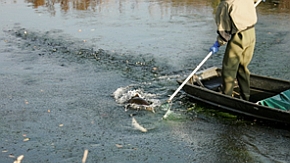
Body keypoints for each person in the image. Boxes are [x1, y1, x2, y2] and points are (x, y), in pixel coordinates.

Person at [210, 0, 258, 101]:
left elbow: (224, 30)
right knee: (242, 67)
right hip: (251, 33)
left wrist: (218, 43)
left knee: (229, 68)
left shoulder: (226, 3)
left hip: (239, 36)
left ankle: (226, 96)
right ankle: (246, 96)